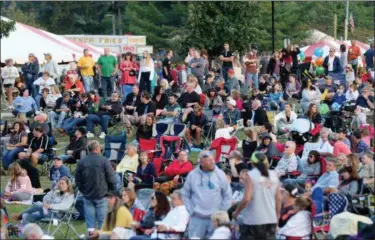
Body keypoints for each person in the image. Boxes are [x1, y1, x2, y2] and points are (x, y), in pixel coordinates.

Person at [181, 150, 231, 238]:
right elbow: (185, 194)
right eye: (209, 160)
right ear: (202, 163)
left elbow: (227, 194)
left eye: (213, 159)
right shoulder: (192, 175)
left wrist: (222, 212)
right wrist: (191, 210)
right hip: (197, 218)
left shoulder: (220, 174)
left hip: (215, 220)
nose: (212, 162)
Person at [233, 152, 282, 240]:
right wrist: (277, 216)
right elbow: (278, 199)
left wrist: (236, 212)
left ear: (252, 162)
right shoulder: (274, 175)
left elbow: (247, 198)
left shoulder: (251, 175)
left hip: (253, 220)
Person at [75, 140, 116, 233]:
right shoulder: (104, 160)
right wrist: (112, 191)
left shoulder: (82, 161)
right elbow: (111, 177)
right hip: (102, 194)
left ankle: (91, 237)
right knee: (102, 221)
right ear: (97, 149)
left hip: (88, 195)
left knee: (90, 224)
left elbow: (77, 180)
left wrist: (83, 190)